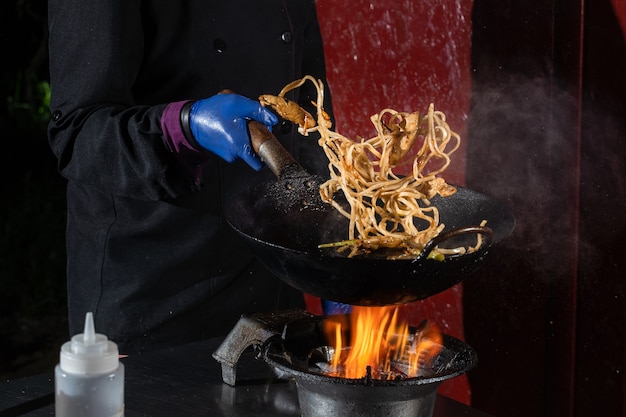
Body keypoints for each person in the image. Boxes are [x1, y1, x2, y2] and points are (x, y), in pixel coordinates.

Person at [46, 0, 333, 354]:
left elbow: (312, 119)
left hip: (270, 275)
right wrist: (184, 126)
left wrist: (331, 262)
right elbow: (77, 134)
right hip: (153, 287)